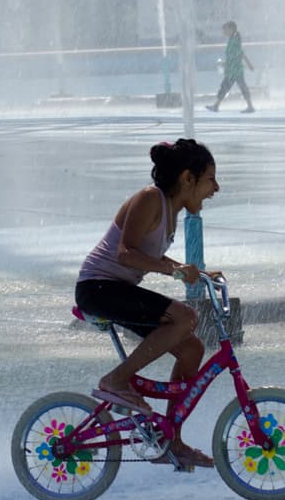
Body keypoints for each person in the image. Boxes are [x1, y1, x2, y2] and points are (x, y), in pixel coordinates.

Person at [75, 138, 223, 468]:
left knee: (192, 350)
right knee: (184, 316)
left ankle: (172, 440)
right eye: (210, 179)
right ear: (188, 179)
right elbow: (125, 253)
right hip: (97, 288)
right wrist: (174, 270)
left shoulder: (170, 211)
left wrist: (194, 273)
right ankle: (117, 380)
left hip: (116, 289)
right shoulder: (150, 198)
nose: (216, 188)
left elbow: (150, 255)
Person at [207, 20, 255, 113]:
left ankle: (216, 106)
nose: (223, 32)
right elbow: (232, 55)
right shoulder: (232, 40)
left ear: (231, 29)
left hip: (235, 70)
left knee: (229, 87)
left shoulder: (234, 40)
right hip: (232, 69)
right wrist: (225, 63)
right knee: (229, 87)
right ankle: (216, 106)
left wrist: (249, 64)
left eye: (225, 29)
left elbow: (240, 53)